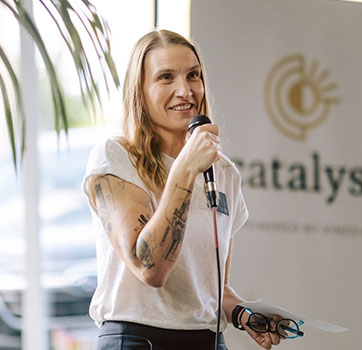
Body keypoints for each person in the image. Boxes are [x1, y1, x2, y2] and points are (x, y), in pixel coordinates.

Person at [82, 29, 285, 349]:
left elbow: (209, 289)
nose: (185, 90)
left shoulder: (224, 172)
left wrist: (246, 314)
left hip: (207, 341)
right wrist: (185, 169)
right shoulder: (117, 156)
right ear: (140, 90)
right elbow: (150, 268)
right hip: (140, 339)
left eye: (193, 75)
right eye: (165, 77)